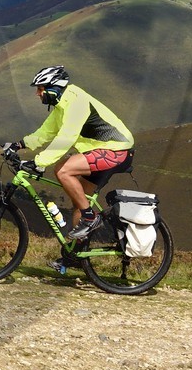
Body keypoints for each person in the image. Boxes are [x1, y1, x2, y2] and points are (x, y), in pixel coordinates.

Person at [14, 65, 134, 241]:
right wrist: (18, 144)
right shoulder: (61, 104)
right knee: (79, 202)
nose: (37, 94)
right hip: (101, 153)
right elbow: (46, 132)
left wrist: (40, 162)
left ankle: (90, 218)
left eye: (40, 89)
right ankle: (76, 255)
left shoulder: (76, 101)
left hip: (117, 151)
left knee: (63, 170)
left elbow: (66, 137)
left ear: (53, 88)